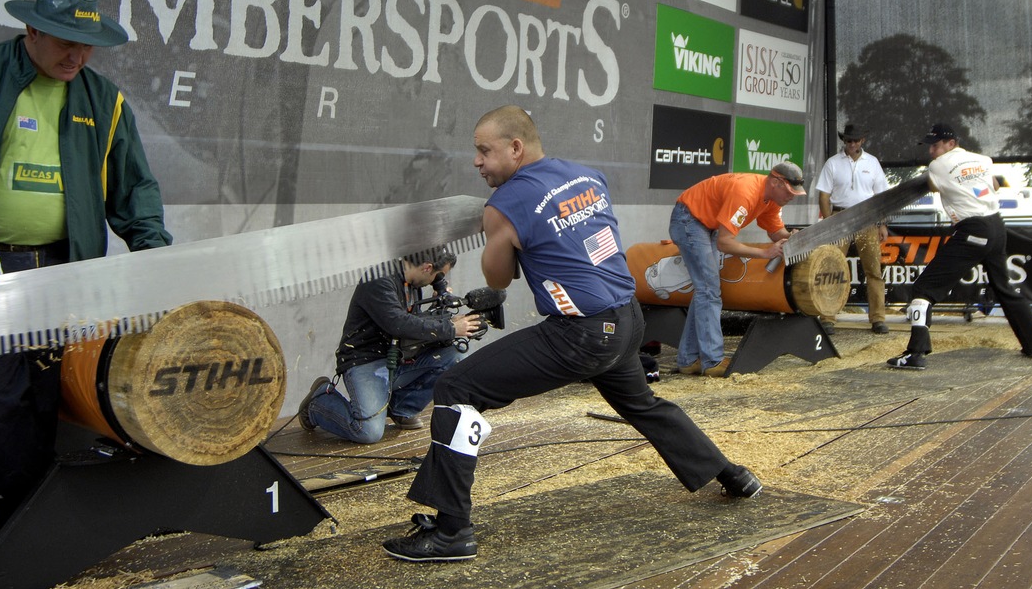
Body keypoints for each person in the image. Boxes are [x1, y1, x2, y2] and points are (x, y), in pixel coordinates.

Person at [381, 106, 760, 563]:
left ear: (515, 148)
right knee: (643, 404)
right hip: (626, 320)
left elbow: (498, 279)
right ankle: (733, 474)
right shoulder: (586, 176)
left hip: (581, 334)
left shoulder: (504, 204)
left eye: (484, 151)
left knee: (456, 387)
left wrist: (494, 231)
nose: (477, 162)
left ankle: (451, 532)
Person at [0, 0, 171, 571]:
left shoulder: (105, 101)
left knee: (47, 411)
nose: (77, 56)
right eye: (66, 41)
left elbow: (135, 192)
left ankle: (6, 543)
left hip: (65, 275)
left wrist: (155, 258)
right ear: (32, 30)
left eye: (88, 45)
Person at [887, 123, 1032, 370]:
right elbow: (994, 186)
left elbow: (932, 186)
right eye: (930, 146)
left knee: (924, 287)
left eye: (936, 145)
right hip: (996, 226)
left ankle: (915, 354)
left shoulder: (938, 166)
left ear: (951, 143)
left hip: (973, 229)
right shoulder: (983, 160)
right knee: (1005, 289)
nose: (931, 151)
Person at [297, 248, 481, 443]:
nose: (438, 280)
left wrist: (440, 304)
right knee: (367, 432)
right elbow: (398, 323)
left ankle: (401, 408)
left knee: (455, 356)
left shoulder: (413, 280)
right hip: (366, 360)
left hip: (400, 357)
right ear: (427, 267)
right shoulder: (379, 279)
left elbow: (415, 326)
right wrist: (450, 328)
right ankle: (318, 402)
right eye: (438, 275)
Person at [668, 164, 805, 377]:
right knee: (709, 290)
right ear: (776, 182)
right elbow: (725, 243)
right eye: (790, 192)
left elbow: (776, 231)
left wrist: (794, 239)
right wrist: (765, 253)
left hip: (705, 225)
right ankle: (712, 361)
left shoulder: (771, 199)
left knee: (706, 290)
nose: (792, 197)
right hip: (690, 220)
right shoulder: (746, 193)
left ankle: (688, 359)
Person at [815, 123, 892, 334]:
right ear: (844, 141)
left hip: (866, 218)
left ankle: (878, 318)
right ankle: (828, 317)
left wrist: (882, 223)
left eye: (855, 140)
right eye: (849, 140)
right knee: (832, 268)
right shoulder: (833, 163)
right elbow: (824, 195)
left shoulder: (872, 162)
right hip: (840, 217)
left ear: (862, 141)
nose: (852, 144)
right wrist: (829, 220)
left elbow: (880, 196)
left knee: (873, 269)